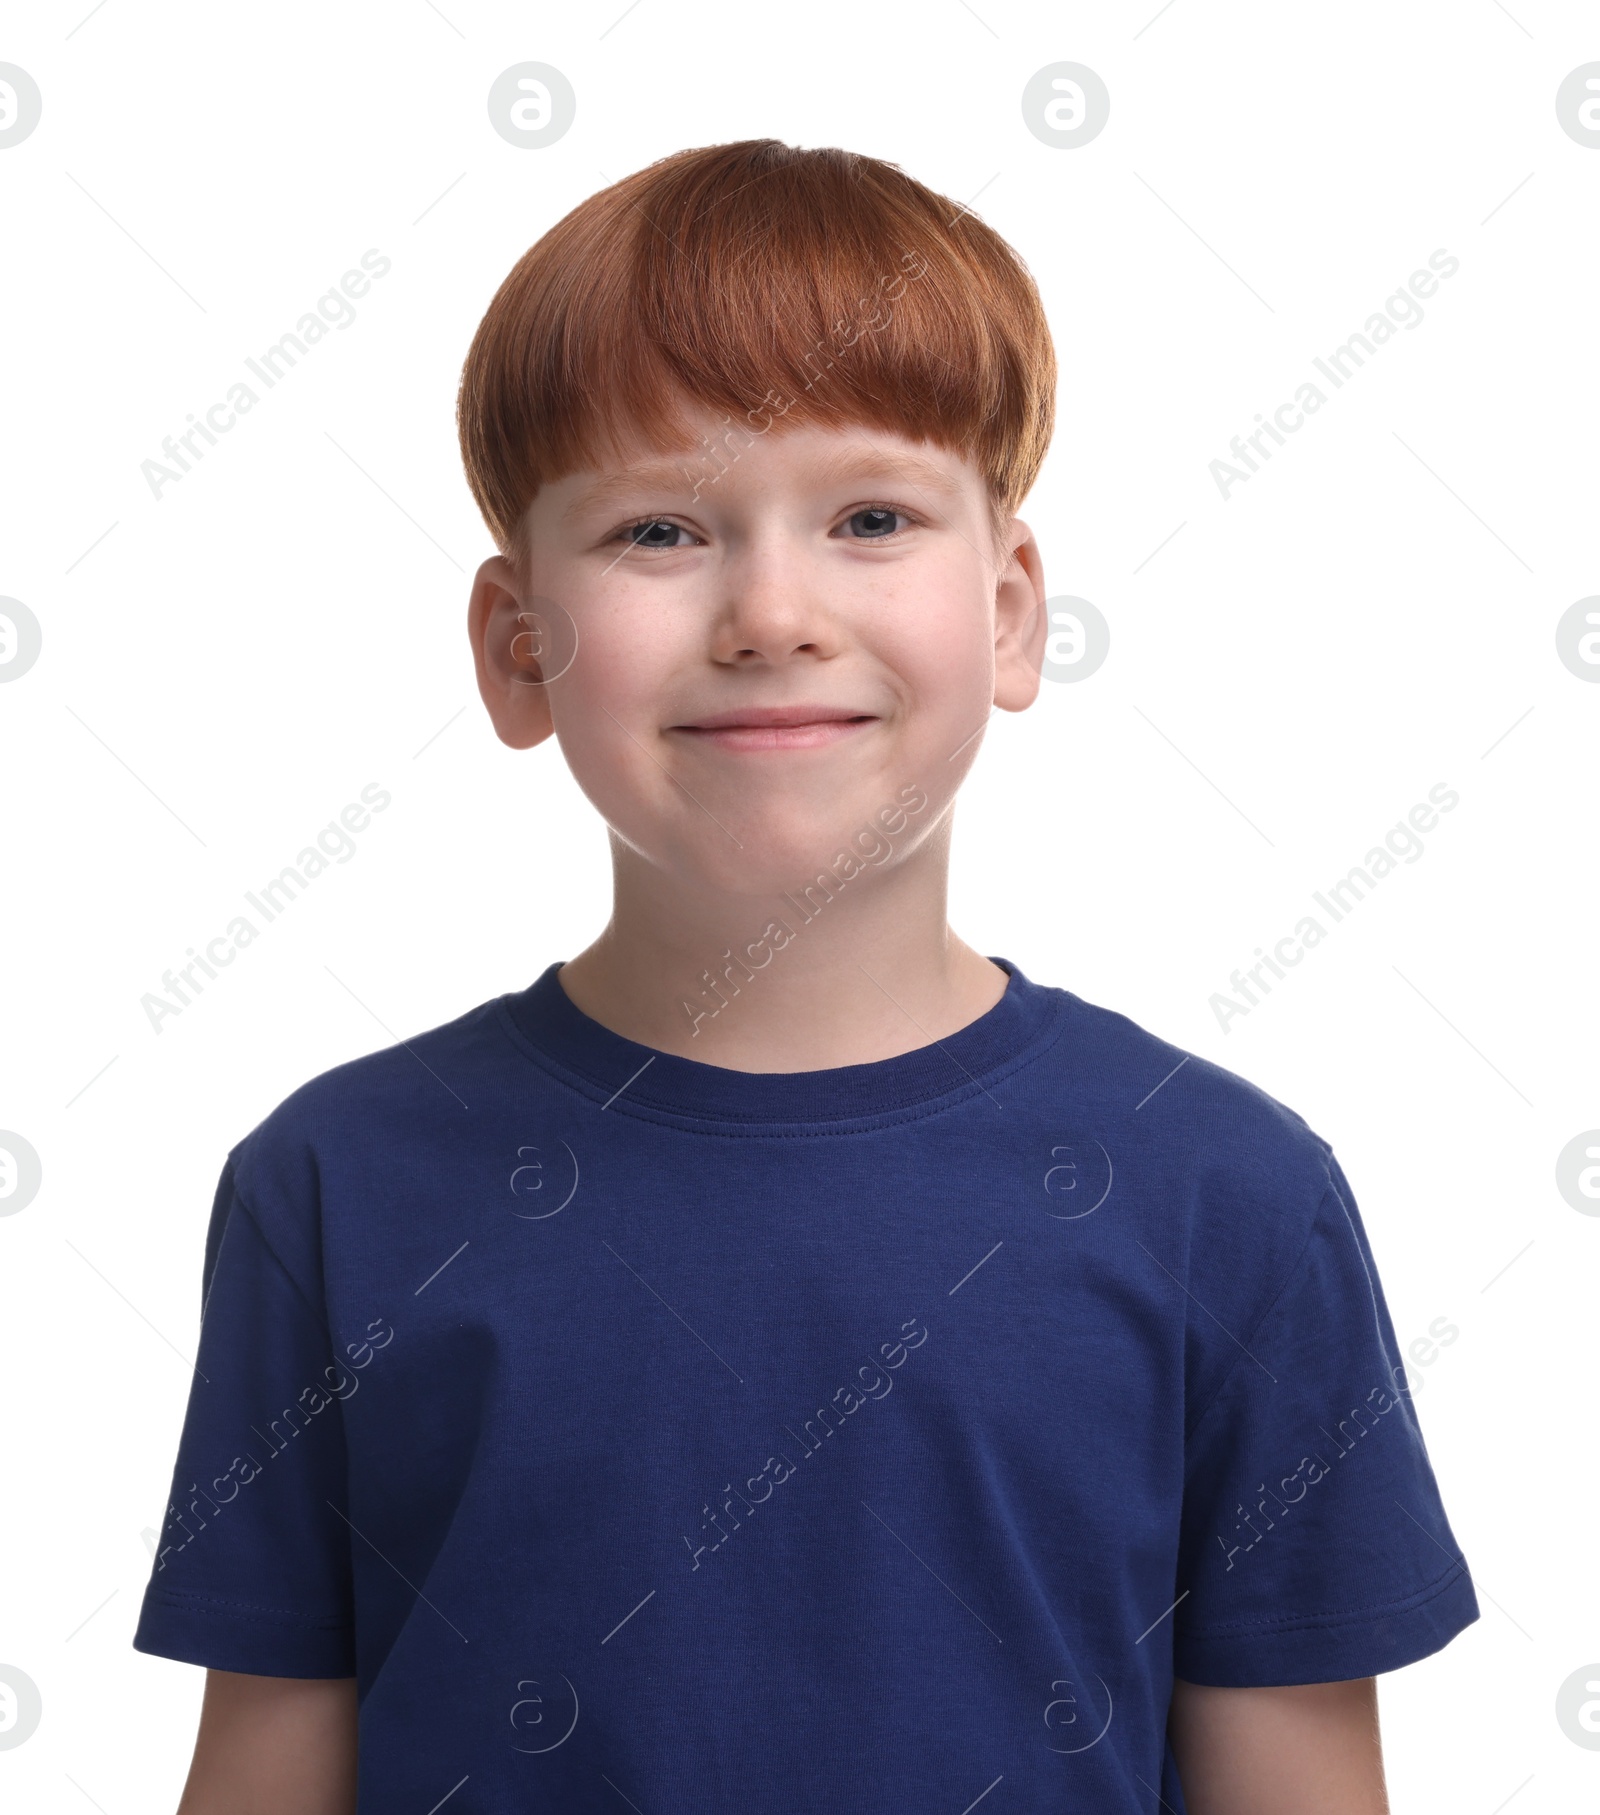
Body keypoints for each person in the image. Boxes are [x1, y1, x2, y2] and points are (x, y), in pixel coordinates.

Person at [133, 138, 1477, 1814]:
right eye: (659, 528)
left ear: (1008, 612)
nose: (771, 611)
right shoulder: (334, 1188)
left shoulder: (1233, 1197)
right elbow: (267, 1768)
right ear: (515, 646)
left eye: (867, 517)